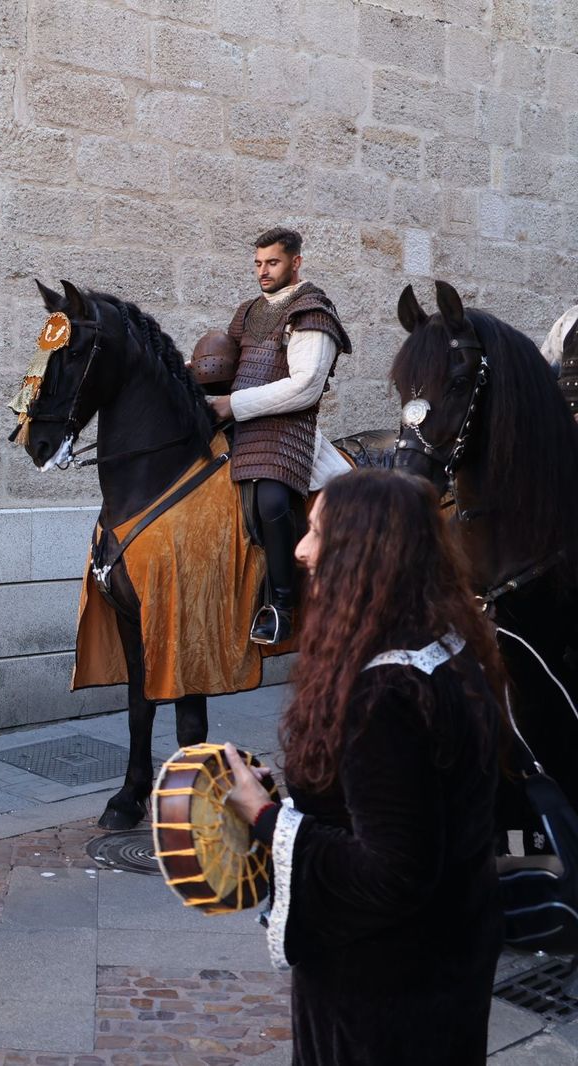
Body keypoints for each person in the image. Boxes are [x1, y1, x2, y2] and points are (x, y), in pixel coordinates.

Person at [223, 470, 502, 1066]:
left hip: (384, 997)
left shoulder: (382, 695)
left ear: (367, 554)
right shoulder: (447, 646)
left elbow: (393, 871)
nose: (299, 550)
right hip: (446, 966)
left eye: (319, 534)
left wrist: (268, 818)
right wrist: (308, 800)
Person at [206, 227, 351, 646]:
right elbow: (227, 367)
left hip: (285, 432)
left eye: (272, 263)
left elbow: (304, 386)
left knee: (271, 499)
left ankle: (282, 607)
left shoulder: (311, 313)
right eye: (258, 263)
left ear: (296, 262)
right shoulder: (249, 311)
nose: (263, 272)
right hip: (239, 423)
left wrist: (233, 404)